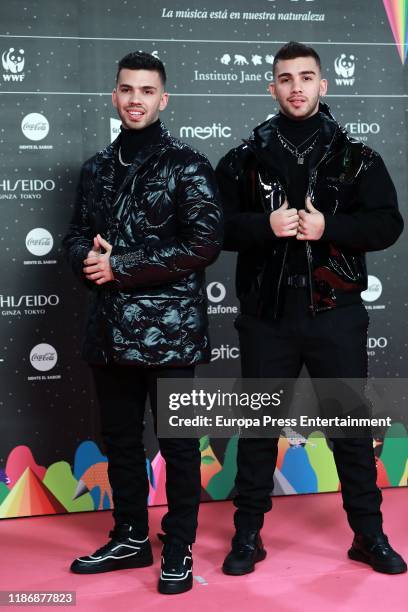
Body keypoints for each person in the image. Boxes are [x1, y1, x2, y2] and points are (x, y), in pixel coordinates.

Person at [216, 41, 406, 576]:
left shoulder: (358, 157)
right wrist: (263, 226)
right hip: (266, 316)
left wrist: (331, 229)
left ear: (324, 85)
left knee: (349, 426)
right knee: (257, 429)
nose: (296, 86)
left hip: (337, 311)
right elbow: (212, 229)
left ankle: (368, 536)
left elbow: (387, 223)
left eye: (306, 77)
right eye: (285, 78)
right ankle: (248, 536)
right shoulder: (244, 158)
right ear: (271, 87)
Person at [63, 51, 222, 594]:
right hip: (108, 331)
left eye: (147, 90)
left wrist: (120, 265)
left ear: (163, 98)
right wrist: (88, 258)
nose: (136, 99)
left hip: (171, 332)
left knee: (178, 444)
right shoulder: (97, 169)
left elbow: (203, 244)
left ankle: (177, 546)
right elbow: (77, 234)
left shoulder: (188, 165)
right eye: (127, 89)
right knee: (121, 441)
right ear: (114, 96)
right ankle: (130, 535)